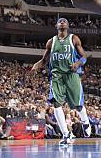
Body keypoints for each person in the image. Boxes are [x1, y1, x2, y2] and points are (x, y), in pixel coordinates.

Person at [31, 18, 91, 146]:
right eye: (60, 21)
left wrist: (78, 63)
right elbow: (44, 60)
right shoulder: (51, 42)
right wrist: (37, 65)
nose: (62, 22)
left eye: (64, 21)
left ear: (68, 25)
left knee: (77, 105)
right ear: (56, 25)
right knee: (56, 104)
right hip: (57, 76)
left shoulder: (74, 38)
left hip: (71, 74)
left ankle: (85, 121)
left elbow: (84, 56)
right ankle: (65, 134)